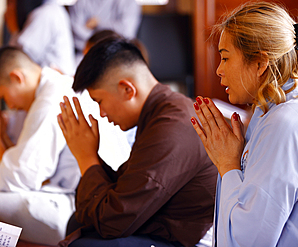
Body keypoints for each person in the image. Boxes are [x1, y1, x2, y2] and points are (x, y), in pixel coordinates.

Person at [191, 2, 298, 246]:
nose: (219, 70)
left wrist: (228, 164)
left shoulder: (287, 122)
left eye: (225, 58)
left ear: (260, 63)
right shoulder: (277, 108)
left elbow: (248, 241)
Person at [57, 38, 218, 247]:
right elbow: (123, 190)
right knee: (77, 223)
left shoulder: (172, 125)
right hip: (154, 226)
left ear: (127, 89)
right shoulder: (161, 111)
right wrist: (89, 156)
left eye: (99, 101)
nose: (101, 113)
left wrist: (86, 157)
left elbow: (114, 221)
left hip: (185, 241)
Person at [0, 46, 131, 245]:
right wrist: (0, 134)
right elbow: (25, 166)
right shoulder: (54, 86)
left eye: (3, 97)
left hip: (83, 208)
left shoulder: (49, 100)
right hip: (91, 198)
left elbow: (18, 180)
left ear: (17, 77)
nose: (9, 105)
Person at [5, 0, 75, 76]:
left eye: (11, 3)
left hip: (57, 80)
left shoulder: (46, 13)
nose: (9, 8)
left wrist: (14, 30)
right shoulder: (51, 10)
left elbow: (18, 58)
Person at [68, 0, 141, 63]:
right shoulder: (81, 2)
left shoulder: (128, 2)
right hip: (85, 54)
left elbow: (126, 32)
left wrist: (98, 23)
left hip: (120, 54)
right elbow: (76, 33)